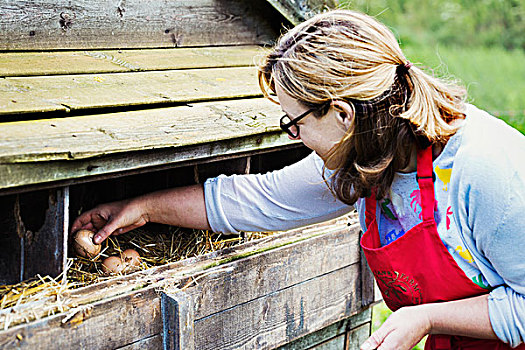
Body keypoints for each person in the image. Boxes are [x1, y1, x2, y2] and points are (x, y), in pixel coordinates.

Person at [71, 9, 524, 350]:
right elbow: (258, 200)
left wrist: (425, 319)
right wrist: (142, 207)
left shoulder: (485, 171)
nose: (296, 137)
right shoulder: (368, 154)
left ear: (343, 114)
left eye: (296, 123)